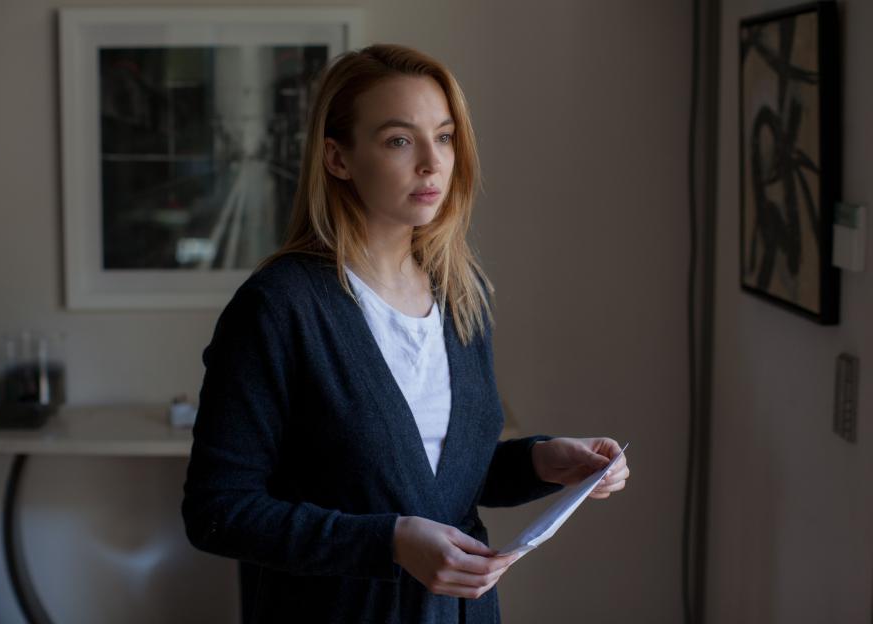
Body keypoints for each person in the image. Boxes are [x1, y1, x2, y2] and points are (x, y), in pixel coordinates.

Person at [182, 43, 629, 623]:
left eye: (443, 137)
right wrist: (389, 542)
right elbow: (218, 511)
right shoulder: (278, 308)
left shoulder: (462, 294)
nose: (432, 162)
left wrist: (545, 461)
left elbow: (436, 479)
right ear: (337, 158)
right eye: (399, 140)